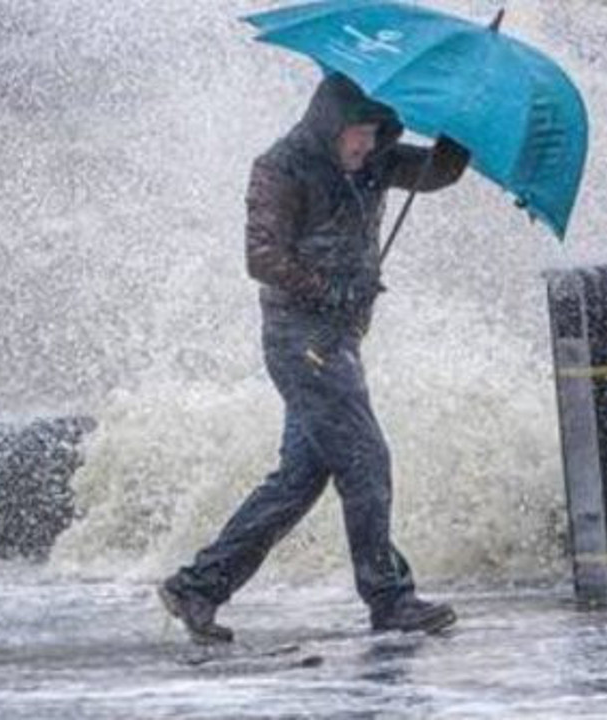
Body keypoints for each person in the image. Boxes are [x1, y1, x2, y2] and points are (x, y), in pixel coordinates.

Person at [159, 73, 470, 644]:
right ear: (331, 125)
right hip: (300, 339)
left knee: (299, 479)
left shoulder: (376, 160)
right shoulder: (281, 167)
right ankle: (389, 598)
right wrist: (330, 290)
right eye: (357, 133)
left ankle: (198, 587)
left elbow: (438, 173)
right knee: (366, 458)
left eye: (376, 134)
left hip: (339, 340)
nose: (365, 146)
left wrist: (461, 125)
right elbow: (261, 257)